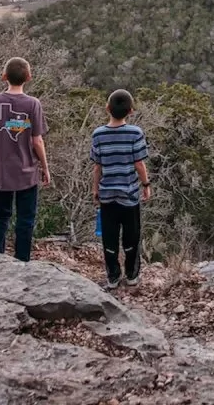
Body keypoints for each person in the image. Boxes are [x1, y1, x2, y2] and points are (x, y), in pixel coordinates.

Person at [0, 56, 50, 262]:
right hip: (27, 171)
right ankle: (22, 261)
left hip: (1, 171)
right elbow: (37, 141)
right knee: (25, 220)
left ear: (4, 77)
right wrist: (45, 167)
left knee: (1, 215)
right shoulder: (33, 104)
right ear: (29, 77)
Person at [91, 89, 151, 288]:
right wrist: (146, 185)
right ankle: (132, 274)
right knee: (131, 235)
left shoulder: (98, 135)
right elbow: (139, 164)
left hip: (108, 195)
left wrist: (95, 189)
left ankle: (113, 276)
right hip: (129, 194)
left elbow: (97, 167)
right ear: (130, 111)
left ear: (107, 108)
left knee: (109, 237)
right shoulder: (135, 133)